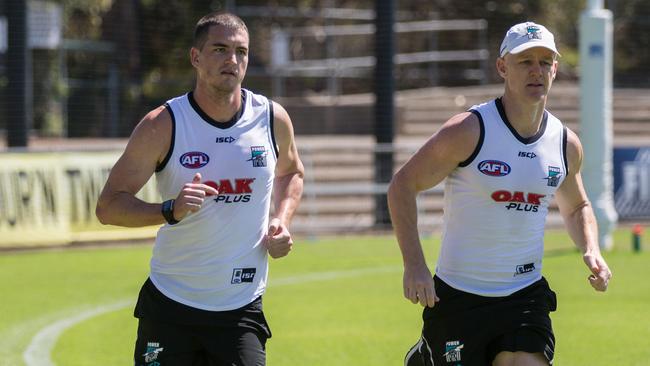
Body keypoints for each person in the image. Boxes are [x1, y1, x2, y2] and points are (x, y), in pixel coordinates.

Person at [388, 22, 612, 366]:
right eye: (525, 61)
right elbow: (403, 185)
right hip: (459, 297)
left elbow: (577, 205)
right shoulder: (468, 130)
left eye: (545, 61)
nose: (536, 70)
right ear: (503, 67)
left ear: (555, 68)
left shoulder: (565, 145)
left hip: (524, 297)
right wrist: (414, 265)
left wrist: (591, 248)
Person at [96, 11, 304, 366]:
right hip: (170, 306)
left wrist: (282, 220)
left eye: (241, 51)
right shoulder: (163, 125)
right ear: (196, 57)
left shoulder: (271, 119)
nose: (232, 60)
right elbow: (109, 207)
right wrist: (168, 210)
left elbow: (292, 173)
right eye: (220, 49)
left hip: (240, 310)